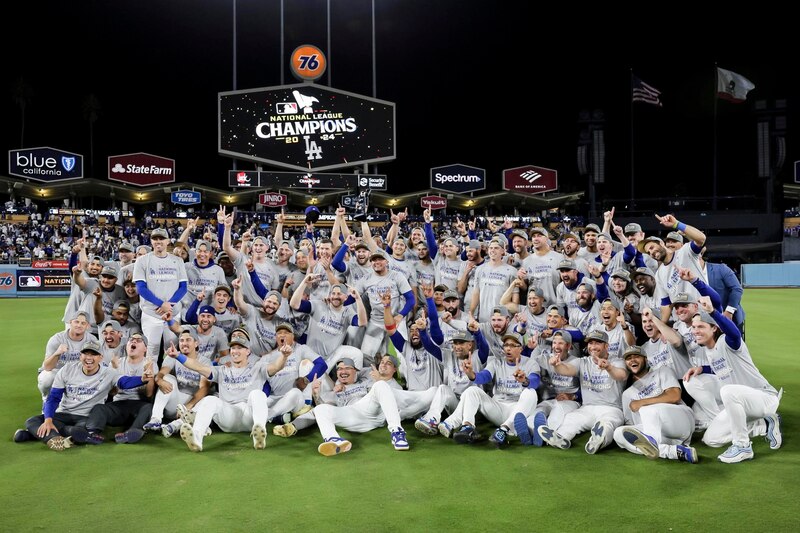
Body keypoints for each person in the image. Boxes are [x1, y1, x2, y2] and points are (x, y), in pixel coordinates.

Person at [684, 298, 782, 463]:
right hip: (743, 403)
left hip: (764, 398)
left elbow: (734, 333)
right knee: (711, 439)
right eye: (693, 327)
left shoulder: (728, 342)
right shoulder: (709, 350)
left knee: (727, 390)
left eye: (701, 326)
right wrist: (702, 368)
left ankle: (743, 446)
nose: (695, 331)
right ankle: (764, 424)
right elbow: (719, 368)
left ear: (714, 328)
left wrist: (713, 312)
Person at [14, 341, 149, 451]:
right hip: (63, 414)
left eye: (94, 354)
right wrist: (48, 420)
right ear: (80, 356)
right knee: (32, 421)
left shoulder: (108, 372)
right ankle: (55, 439)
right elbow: (54, 397)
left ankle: (38, 434)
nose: (89, 358)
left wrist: (142, 379)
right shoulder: (67, 369)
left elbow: (124, 382)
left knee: (82, 430)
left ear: (100, 358)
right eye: (86, 353)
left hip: (85, 418)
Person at [167, 335, 289, 452]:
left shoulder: (258, 367)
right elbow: (198, 367)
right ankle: (197, 438)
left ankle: (259, 432)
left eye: (239, 348)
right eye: (233, 348)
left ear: (247, 351)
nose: (235, 351)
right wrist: (178, 356)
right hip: (228, 417)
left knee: (258, 394)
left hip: (249, 417)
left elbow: (276, 367)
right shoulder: (222, 370)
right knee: (210, 399)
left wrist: (284, 356)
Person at [537, 330, 628, 454]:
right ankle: (560, 437)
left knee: (607, 424)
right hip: (588, 407)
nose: (593, 346)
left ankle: (598, 440)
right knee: (571, 419)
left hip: (611, 408)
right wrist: (557, 365)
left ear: (606, 346)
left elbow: (621, 375)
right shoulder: (583, 361)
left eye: (597, 343)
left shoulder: (617, 361)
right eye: (590, 343)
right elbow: (568, 370)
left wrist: (608, 367)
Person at [449, 332, 541, 447]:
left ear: (521, 348)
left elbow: (535, 381)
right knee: (472, 390)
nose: (508, 348)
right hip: (498, 408)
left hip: (518, 409)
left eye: (512, 345)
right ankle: (468, 427)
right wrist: (472, 374)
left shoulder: (530, 363)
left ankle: (503, 430)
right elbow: (485, 376)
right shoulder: (496, 362)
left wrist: (525, 381)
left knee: (530, 392)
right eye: (506, 345)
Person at [613, 345, 698, 463]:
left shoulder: (662, 371)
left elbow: (674, 395)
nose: (632, 360)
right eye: (628, 358)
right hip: (661, 434)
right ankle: (673, 451)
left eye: (636, 356)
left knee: (646, 409)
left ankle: (654, 442)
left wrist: (642, 402)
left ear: (645, 359)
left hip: (681, 421)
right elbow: (634, 426)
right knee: (619, 433)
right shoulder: (627, 394)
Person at [309, 357, 410, 456]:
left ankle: (397, 432)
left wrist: (379, 380)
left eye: (347, 368)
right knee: (319, 409)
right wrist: (316, 395)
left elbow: (386, 394)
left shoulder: (365, 383)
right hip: (352, 417)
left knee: (380, 385)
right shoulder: (334, 392)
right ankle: (334, 440)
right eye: (339, 369)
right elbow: (324, 413)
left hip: (370, 413)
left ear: (355, 371)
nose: (343, 371)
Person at [83, 332, 157, 444]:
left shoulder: (150, 363)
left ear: (145, 348)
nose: (134, 341)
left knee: (148, 408)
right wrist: (114, 369)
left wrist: (150, 374)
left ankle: (132, 433)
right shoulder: (117, 362)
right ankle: (92, 434)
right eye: (131, 339)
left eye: (138, 340)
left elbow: (149, 394)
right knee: (99, 408)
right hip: (119, 404)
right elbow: (112, 393)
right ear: (127, 345)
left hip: (138, 405)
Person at [514, 330, 580, 447]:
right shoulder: (545, 358)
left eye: (560, 343)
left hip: (569, 400)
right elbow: (528, 361)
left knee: (558, 410)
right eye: (554, 343)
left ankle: (544, 432)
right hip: (551, 399)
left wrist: (574, 396)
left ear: (569, 346)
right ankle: (529, 432)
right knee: (539, 410)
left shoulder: (577, 362)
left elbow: (587, 386)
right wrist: (529, 349)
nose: (556, 346)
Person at [144, 327, 212, 437]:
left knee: (207, 399)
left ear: (196, 343)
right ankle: (156, 419)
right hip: (175, 404)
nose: (184, 343)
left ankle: (173, 426)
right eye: (181, 340)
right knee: (168, 378)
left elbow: (204, 388)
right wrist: (159, 380)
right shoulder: (173, 356)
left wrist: (189, 405)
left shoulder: (204, 361)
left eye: (188, 340)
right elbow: (161, 374)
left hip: (192, 403)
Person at [133, 227, 188, 359]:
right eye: (155, 239)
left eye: (161, 238)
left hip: (172, 313)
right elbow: (141, 288)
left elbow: (183, 287)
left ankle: (168, 378)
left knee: (172, 349)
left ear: (168, 241)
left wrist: (169, 304)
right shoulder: (142, 260)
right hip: (151, 313)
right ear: (151, 241)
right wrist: (161, 304)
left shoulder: (177, 260)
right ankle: (150, 378)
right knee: (151, 350)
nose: (158, 241)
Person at [39, 310, 99, 399]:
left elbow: (97, 363)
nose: (79, 325)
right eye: (76, 322)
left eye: (83, 323)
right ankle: (47, 398)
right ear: (70, 322)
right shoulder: (57, 339)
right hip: (57, 372)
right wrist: (57, 353)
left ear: (87, 326)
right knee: (46, 378)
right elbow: (47, 367)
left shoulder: (92, 340)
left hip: (79, 373)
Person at [700, 249, 745, 335]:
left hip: (729, 317)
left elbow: (737, 289)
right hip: (704, 322)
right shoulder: (688, 276)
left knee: (734, 347)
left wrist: (729, 311)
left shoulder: (721, 269)